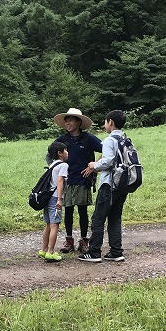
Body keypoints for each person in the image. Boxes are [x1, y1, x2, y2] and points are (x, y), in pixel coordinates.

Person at [79, 110, 129, 263]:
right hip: (123, 184)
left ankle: (94, 252)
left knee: (98, 218)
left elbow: (107, 161)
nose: (104, 124)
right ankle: (116, 251)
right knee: (115, 218)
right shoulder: (125, 139)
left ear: (111, 122)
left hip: (109, 184)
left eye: (105, 122)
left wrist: (95, 165)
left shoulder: (109, 140)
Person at [53, 108, 103, 254]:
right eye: (66, 120)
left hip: (83, 180)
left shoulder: (88, 138)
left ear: (78, 122)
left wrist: (94, 167)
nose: (68, 123)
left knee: (82, 211)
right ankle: (69, 241)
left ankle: (84, 241)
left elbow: (107, 150)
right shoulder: (62, 140)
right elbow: (50, 153)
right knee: (67, 210)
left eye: (71, 120)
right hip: (67, 180)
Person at [39, 141, 69, 263]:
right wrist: (60, 199)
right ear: (60, 153)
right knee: (54, 225)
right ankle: (51, 252)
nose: (68, 153)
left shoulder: (52, 165)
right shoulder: (63, 165)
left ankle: (44, 249)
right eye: (66, 150)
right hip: (55, 198)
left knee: (48, 224)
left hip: (47, 197)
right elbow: (60, 181)